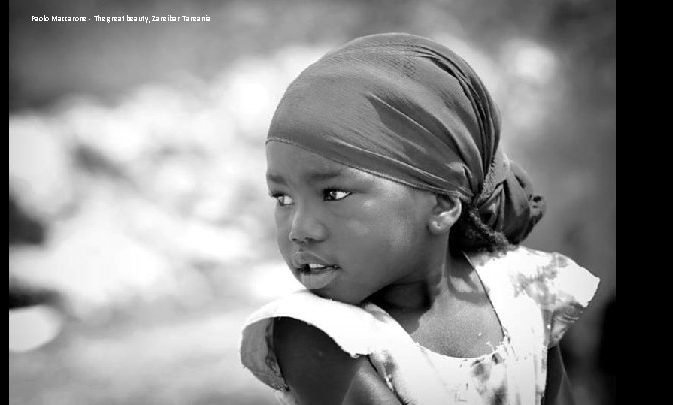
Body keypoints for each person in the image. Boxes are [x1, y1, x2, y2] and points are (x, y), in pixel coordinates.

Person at [239, 32, 599, 405]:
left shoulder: (522, 291)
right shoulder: (318, 335)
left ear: (442, 204)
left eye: (334, 194)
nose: (299, 230)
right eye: (282, 198)